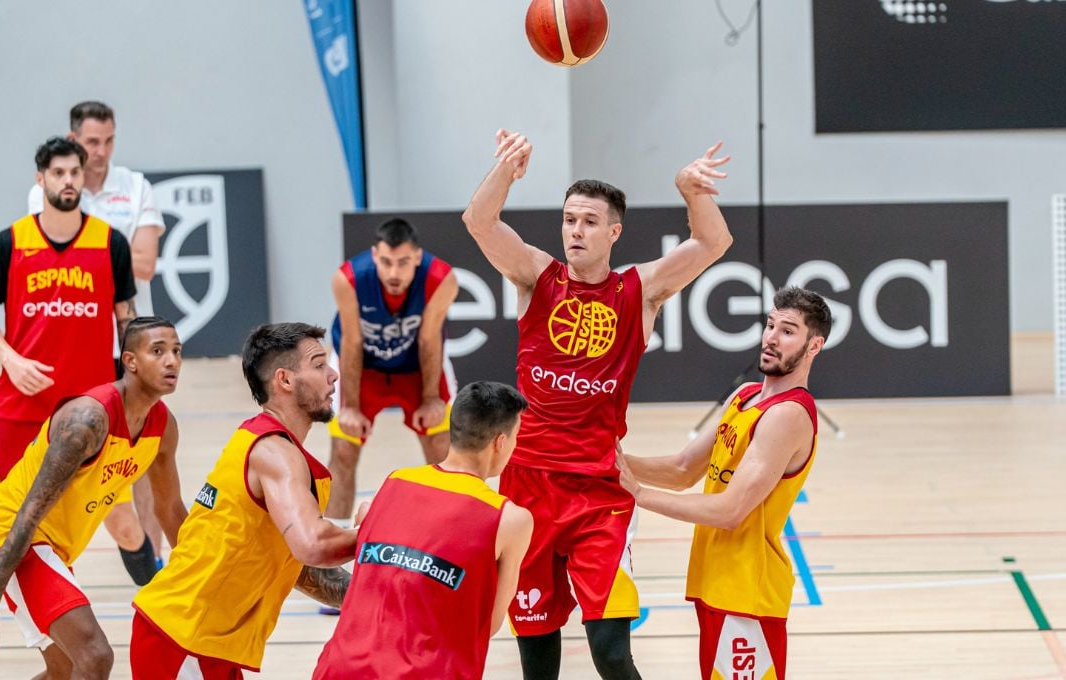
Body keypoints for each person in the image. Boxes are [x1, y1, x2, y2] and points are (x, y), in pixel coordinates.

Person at [460, 129, 734, 680]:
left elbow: (712, 244)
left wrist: (690, 190)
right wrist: (506, 173)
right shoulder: (537, 275)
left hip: (599, 494)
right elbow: (479, 223)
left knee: (611, 654)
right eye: (568, 219)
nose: (574, 230)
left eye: (588, 221)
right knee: (538, 663)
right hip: (527, 489)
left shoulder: (641, 289)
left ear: (614, 232)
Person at [0, 137, 138, 673]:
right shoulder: (11, 242)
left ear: (85, 180)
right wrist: (9, 359)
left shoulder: (110, 243)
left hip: (88, 415)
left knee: (111, 522)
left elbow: (128, 322)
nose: (69, 180)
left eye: (76, 172)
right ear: (41, 179)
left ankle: (128, 612)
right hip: (20, 408)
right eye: (58, 172)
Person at [0, 317, 190, 680]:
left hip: (52, 546)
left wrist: (202, 573)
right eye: (157, 351)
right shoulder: (86, 422)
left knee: (64, 671)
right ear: (129, 361)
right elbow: (28, 513)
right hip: (11, 535)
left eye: (176, 351)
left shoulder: (163, 427)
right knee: (95, 656)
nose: (171, 360)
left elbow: (171, 511)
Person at [617, 287, 831, 680]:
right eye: (770, 325)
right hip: (714, 580)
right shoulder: (745, 396)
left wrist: (640, 495)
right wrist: (611, 463)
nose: (771, 337)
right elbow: (683, 469)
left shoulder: (788, 415)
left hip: (747, 588)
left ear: (813, 345)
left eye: (788, 331)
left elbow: (731, 511)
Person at [130, 323, 359, 679]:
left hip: (204, 640)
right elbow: (313, 545)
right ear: (284, 380)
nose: (332, 376)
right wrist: (379, 531)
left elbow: (301, 566)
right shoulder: (274, 454)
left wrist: (377, 595)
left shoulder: (271, 446)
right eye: (318, 365)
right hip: (182, 636)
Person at [29, 100, 168, 578]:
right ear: (73, 139)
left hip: (132, 345)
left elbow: (145, 265)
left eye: (109, 141)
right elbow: (52, 264)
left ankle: (152, 557)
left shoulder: (135, 186)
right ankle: (49, 556)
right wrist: (109, 247)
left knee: (142, 455)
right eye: (92, 142)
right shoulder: (50, 190)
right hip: (76, 346)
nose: (101, 152)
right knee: (65, 454)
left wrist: (90, 245)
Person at [313, 381, 534, 680]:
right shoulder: (511, 519)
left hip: (340, 668)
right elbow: (489, 622)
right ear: (500, 442)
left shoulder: (393, 483)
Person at [326, 218, 459, 525]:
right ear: (375, 256)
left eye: (402, 263)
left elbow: (429, 341)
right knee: (343, 450)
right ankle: (330, 554)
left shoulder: (442, 279)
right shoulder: (348, 279)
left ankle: (450, 536)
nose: (393, 273)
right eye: (386, 262)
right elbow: (351, 342)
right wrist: (351, 408)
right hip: (363, 366)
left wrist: (430, 399)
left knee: (444, 451)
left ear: (417, 257)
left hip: (417, 364)